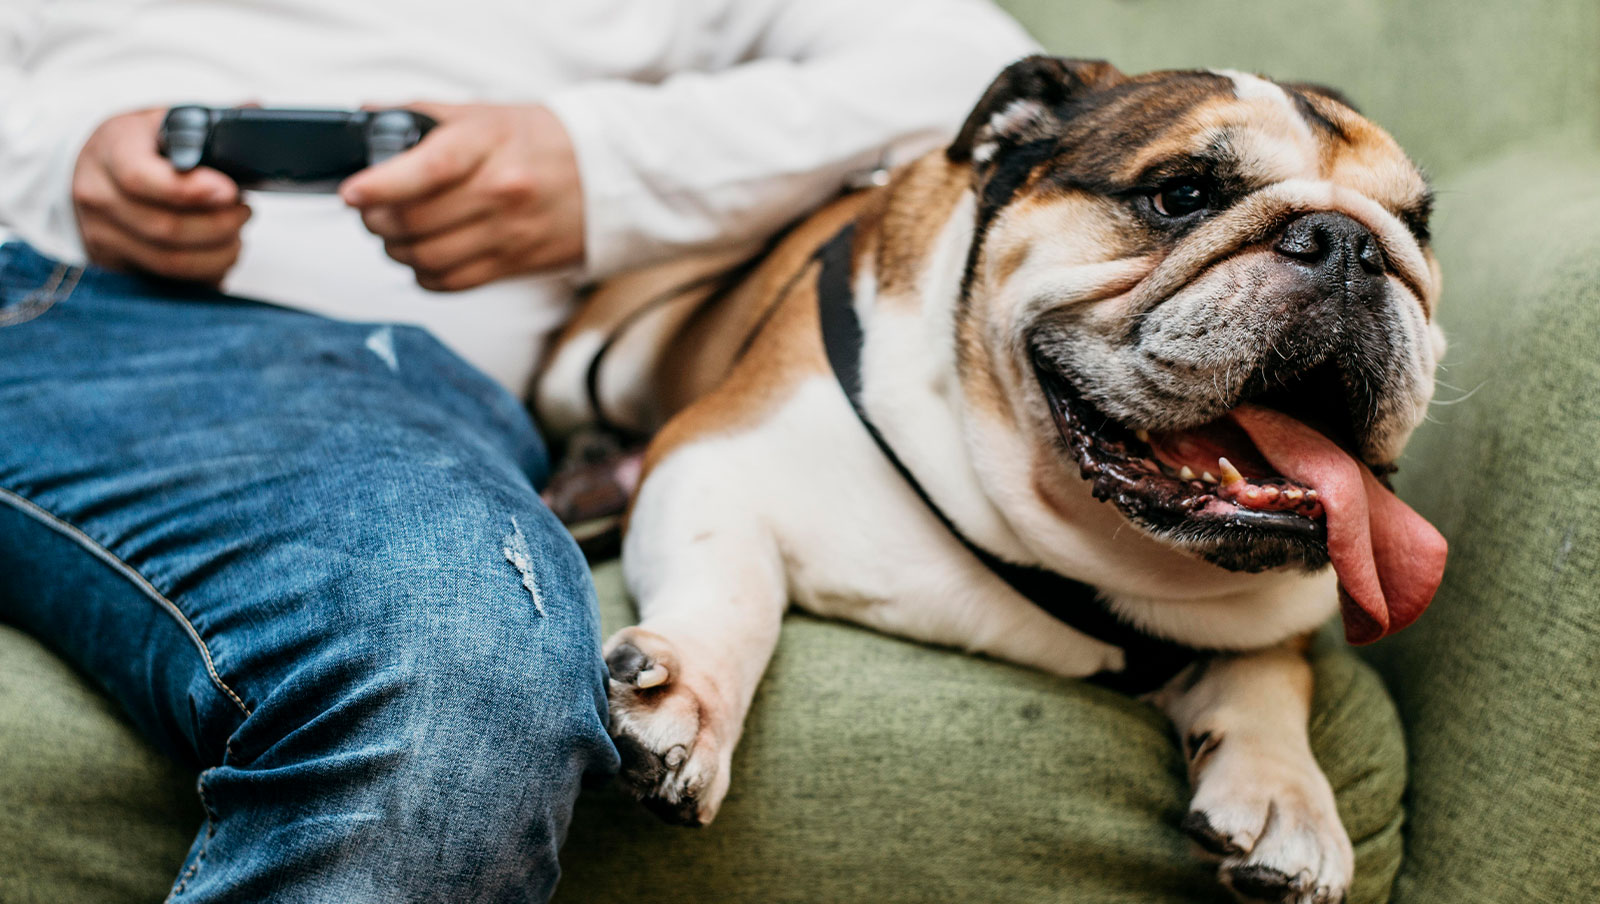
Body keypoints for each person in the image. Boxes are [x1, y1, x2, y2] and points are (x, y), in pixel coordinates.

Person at [0, 0, 1036, 901]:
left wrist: (599, 170)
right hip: (39, 286)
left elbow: (965, 69)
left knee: (457, 648)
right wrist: (59, 167)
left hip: (391, 403)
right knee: (450, 638)